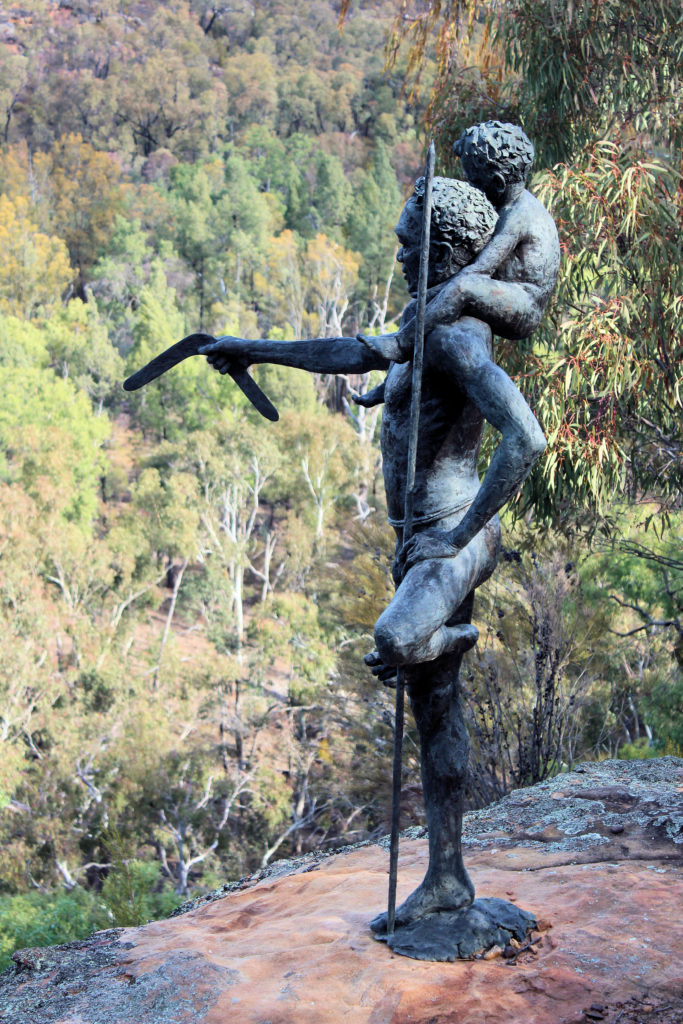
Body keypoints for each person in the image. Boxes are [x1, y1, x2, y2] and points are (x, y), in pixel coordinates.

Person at [199, 174, 547, 931]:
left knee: (396, 639)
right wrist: (251, 351)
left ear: (447, 251)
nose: (395, 255)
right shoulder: (424, 326)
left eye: (407, 244)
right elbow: (350, 354)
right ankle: (447, 880)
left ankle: (450, 633)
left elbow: (526, 438)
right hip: (416, 543)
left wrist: (462, 536)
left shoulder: (455, 335)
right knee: (434, 708)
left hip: (450, 539)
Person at [358, 121, 560, 366]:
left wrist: (433, 292)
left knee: (464, 288)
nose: (470, 186)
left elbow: (480, 270)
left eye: (473, 180)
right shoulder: (508, 205)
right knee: (418, 307)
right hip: (502, 291)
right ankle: (392, 386)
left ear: (497, 182)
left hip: (524, 307)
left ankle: (402, 344)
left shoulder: (518, 215)